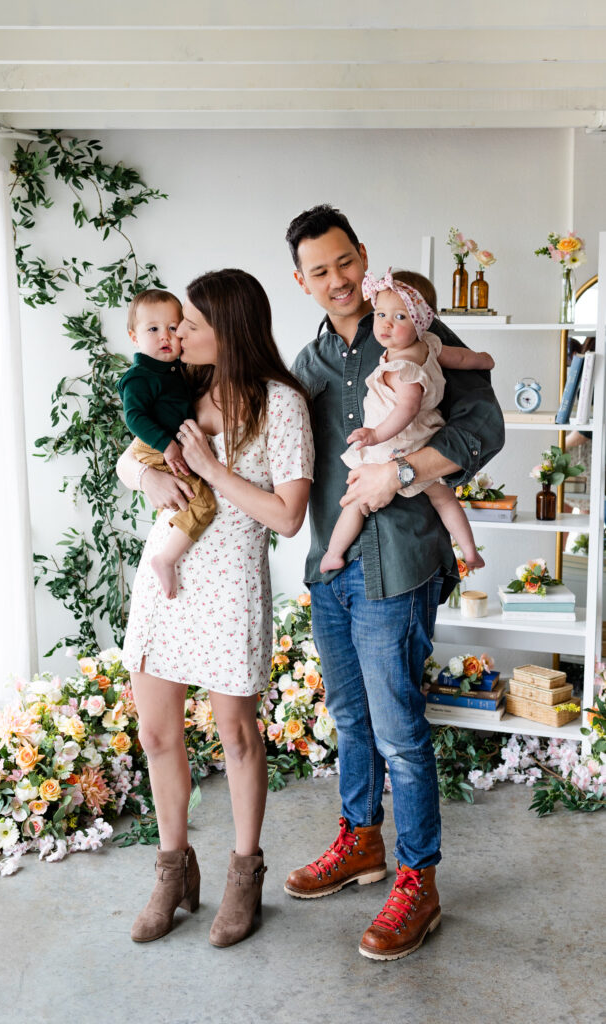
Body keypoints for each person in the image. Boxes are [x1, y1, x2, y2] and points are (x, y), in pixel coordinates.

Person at [283, 205, 504, 961]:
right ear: (302, 282)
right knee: (348, 720)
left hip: (402, 564)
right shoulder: (309, 364)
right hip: (332, 566)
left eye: (346, 262)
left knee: (400, 736)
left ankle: (418, 879)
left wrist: (401, 470)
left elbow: (483, 432)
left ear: (363, 258)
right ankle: (360, 843)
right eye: (320, 271)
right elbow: (255, 419)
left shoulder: (421, 333)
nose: (338, 280)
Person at [116, 268, 313, 948]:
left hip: (230, 578)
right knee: (156, 734)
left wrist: (211, 465)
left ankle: (242, 871)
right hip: (166, 576)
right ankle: (173, 870)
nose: (177, 335)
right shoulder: (180, 383)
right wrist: (144, 473)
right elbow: (129, 453)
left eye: (191, 325)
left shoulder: (279, 404)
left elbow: (287, 517)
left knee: (235, 733)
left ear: (226, 331)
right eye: (172, 326)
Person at [320, 267, 492, 573]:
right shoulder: (431, 346)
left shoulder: (401, 367)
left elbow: (406, 409)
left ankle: (334, 552)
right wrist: (483, 359)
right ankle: (469, 550)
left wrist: (374, 434)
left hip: (394, 445)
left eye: (400, 317)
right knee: (445, 500)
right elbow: (464, 359)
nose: (386, 324)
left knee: (355, 500)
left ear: (421, 321)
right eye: (380, 314)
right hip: (426, 440)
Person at [117, 288, 217, 600]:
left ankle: (171, 545)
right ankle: (166, 558)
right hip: (155, 446)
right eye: (153, 329)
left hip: (167, 445)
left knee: (192, 494)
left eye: (173, 328)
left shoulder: (178, 370)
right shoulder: (140, 376)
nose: (165, 336)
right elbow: (134, 417)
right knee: (203, 502)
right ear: (134, 337)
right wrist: (167, 446)